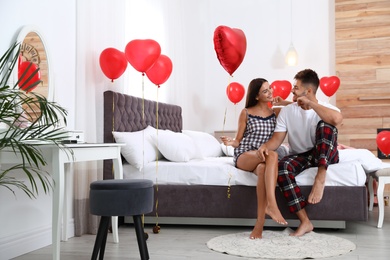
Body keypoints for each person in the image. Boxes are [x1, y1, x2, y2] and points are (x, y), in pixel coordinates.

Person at [257, 69, 343, 237]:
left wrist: (312, 105)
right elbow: (277, 139)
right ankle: (305, 221)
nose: (292, 91)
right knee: (282, 167)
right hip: (303, 155)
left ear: (308, 91)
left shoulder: (327, 108)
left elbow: (337, 120)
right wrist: (265, 147)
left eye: (295, 88)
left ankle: (321, 175)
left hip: (323, 154)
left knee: (326, 125)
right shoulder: (288, 111)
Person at [221, 78, 290, 239]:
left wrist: (283, 102)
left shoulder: (275, 112)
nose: (270, 92)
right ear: (257, 96)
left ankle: (259, 226)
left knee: (263, 168)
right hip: (246, 154)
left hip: (262, 157)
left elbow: (297, 107)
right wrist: (232, 142)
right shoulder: (246, 112)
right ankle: (272, 205)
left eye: (270, 88)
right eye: (265, 91)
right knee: (272, 154)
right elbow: (238, 140)